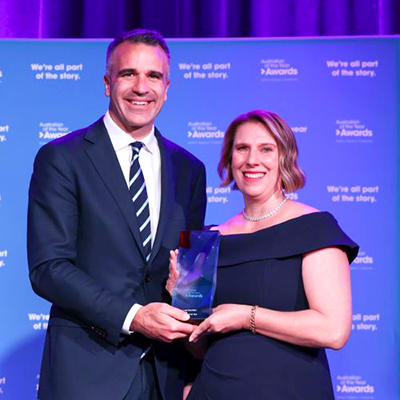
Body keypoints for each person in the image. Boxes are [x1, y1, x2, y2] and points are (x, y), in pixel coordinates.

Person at [27, 29, 206, 400]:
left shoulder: (189, 168)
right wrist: (134, 316)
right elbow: (49, 268)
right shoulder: (63, 158)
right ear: (108, 83)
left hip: (165, 374)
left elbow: (189, 274)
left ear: (167, 87)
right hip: (87, 372)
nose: (141, 87)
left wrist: (194, 368)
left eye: (153, 76)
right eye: (128, 74)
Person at [167, 110, 359, 399]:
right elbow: (198, 346)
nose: (252, 160)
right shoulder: (204, 241)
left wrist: (247, 317)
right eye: (242, 148)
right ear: (230, 160)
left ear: (285, 158)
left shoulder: (314, 227)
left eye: (266, 149)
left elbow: (334, 330)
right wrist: (181, 304)